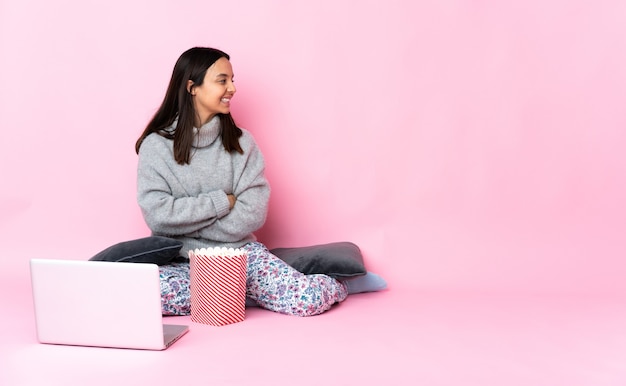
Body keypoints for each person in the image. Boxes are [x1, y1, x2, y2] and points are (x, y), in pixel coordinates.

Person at [135, 47, 386, 317]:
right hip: (182, 261)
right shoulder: (156, 146)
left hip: (240, 256)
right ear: (192, 87)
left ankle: (342, 283)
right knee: (143, 298)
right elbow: (158, 216)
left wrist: (187, 226)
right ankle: (246, 293)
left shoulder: (242, 143)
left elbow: (252, 213)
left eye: (232, 80)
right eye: (222, 80)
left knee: (307, 300)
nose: (231, 88)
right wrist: (222, 202)